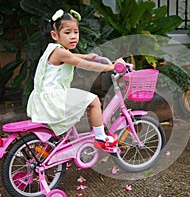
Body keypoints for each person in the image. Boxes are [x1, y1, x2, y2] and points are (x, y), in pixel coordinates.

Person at [27, 9, 124, 152]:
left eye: (76, 32)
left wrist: (86, 56)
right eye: (67, 32)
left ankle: (66, 145)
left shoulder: (54, 49)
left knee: (79, 102)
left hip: (43, 98)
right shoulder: (60, 52)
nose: (73, 36)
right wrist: (111, 67)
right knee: (94, 100)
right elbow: (85, 65)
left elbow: (72, 56)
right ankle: (101, 137)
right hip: (54, 99)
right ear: (55, 35)